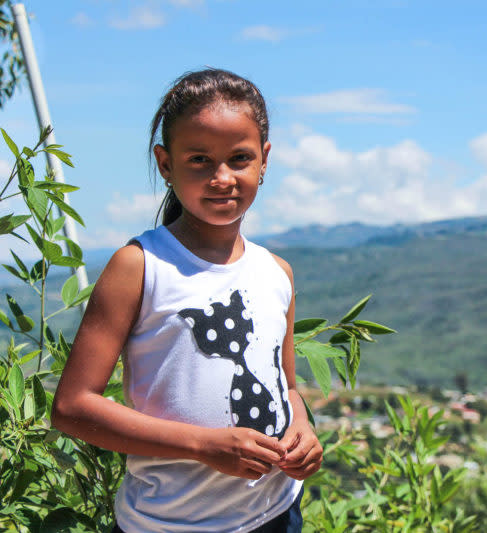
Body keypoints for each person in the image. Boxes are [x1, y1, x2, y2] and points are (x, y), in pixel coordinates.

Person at [51, 68, 322, 533]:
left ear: (264, 160)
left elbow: (286, 386)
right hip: (168, 523)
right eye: (199, 159)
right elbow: (73, 407)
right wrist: (203, 445)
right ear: (165, 163)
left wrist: (303, 429)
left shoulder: (277, 272)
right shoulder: (140, 266)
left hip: (277, 515)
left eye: (240, 158)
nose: (222, 178)